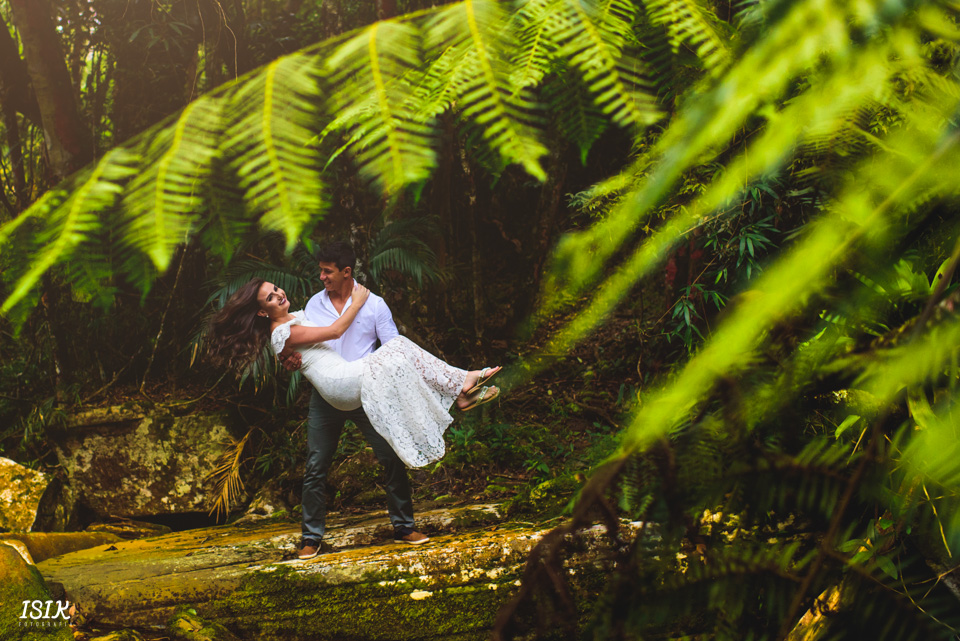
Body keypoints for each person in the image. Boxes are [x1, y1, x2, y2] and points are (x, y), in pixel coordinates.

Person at [206, 254, 501, 560]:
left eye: (277, 289)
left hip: (361, 384)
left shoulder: (308, 313)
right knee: (316, 466)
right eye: (270, 296)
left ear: (345, 273)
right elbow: (331, 332)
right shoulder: (292, 323)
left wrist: (289, 357)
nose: (279, 294)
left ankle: (404, 526)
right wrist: (357, 302)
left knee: (390, 452)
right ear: (262, 311)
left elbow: (304, 349)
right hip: (336, 388)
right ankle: (311, 538)